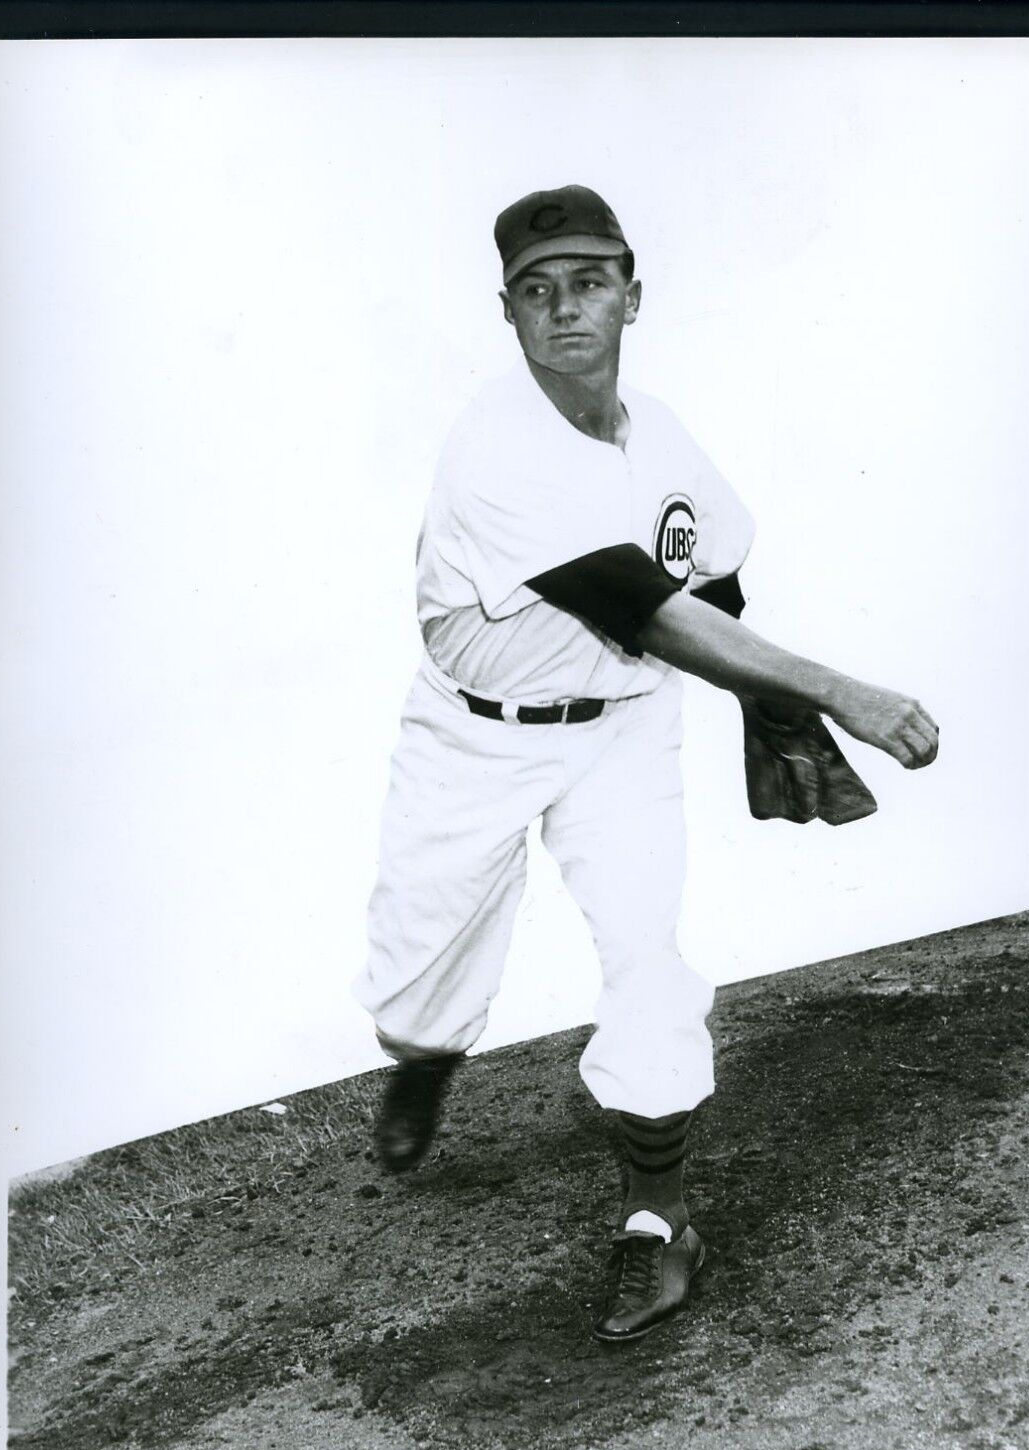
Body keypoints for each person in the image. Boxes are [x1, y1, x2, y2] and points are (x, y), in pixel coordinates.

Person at [353, 185, 938, 1342]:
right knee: (421, 959)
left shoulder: (657, 429)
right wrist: (839, 692)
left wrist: (773, 719)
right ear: (508, 312)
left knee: (646, 952)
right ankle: (425, 1053)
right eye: (538, 288)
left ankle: (659, 1223)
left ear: (633, 294)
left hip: (620, 729)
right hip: (475, 732)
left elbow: (705, 572)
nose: (566, 308)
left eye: (589, 281)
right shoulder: (493, 449)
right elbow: (646, 606)